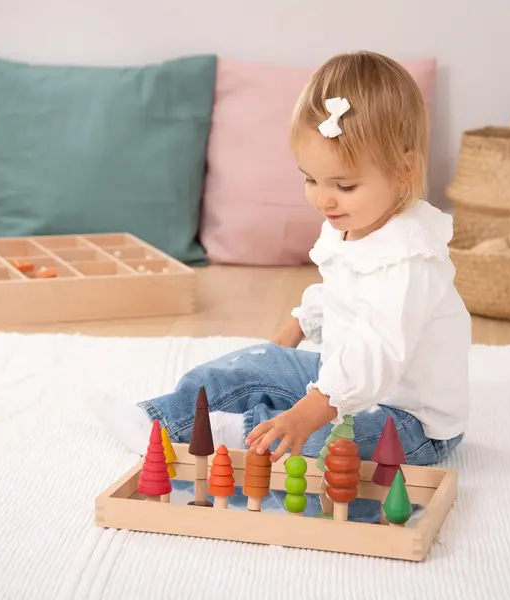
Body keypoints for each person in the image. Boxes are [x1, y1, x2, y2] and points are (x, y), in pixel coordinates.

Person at [90, 50, 471, 521]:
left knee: (318, 454)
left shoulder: (410, 260)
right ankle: (162, 421)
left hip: (408, 419)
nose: (323, 199)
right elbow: (340, 291)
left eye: (344, 186)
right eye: (310, 179)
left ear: (403, 170)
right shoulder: (353, 222)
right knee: (249, 366)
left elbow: (378, 350)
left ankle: (243, 437)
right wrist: (299, 324)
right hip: (339, 378)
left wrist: (312, 410)